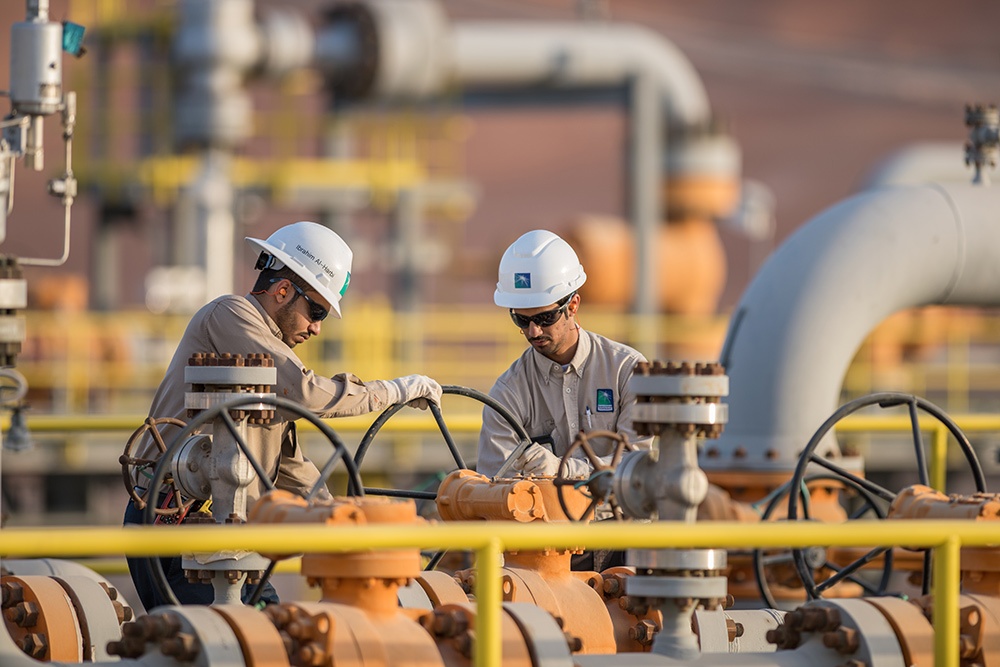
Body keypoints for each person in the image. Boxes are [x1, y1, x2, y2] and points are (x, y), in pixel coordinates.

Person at [124, 220, 442, 611]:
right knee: (235, 643)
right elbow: (306, 392)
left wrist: (348, 522)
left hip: (219, 537)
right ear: (284, 290)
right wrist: (395, 391)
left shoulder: (267, 357)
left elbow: (287, 464)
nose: (317, 327)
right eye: (317, 310)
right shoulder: (230, 315)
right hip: (172, 523)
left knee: (271, 635)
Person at [477, 229, 653, 480]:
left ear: (573, 306)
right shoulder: (508, 393)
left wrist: (564, 470)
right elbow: (494, 485)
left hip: (618, 518)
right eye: (521, 320)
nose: (533, 331)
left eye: (544, 317)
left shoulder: (627, 370)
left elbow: (636, 464)